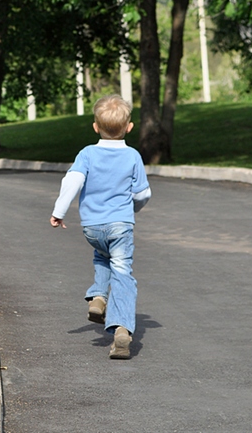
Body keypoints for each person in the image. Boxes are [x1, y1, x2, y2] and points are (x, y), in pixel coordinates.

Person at [49, 94, 152, 359]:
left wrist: (59, 211)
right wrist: (133, 209)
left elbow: (71, 182)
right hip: (120, 225)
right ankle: (122, 329)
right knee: (123, 274)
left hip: (92, 227)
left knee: (102, 255)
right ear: (129, 128)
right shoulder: (132, 156)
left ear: (95, 127)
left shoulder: (87, 154)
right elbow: (142, 195)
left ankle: (98, 297)